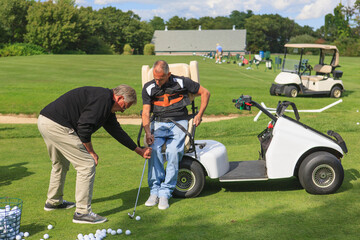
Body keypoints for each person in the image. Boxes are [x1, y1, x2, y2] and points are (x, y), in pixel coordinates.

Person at [37, 85, 152, 224]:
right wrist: (91, 152)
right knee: (86, 164)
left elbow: (116, 131)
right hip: (58, 125)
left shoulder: (106, 104)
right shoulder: (103, 100)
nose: (123, 110)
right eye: (125, 106)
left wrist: (137, 149)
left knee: (60, 163)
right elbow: (84, 128)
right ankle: (82, 212)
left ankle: (53, 202)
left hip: (45, 121)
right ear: (120, 97)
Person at [142, 60, 210, 210]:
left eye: (161, 78)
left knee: (173, 153)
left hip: (179, 123)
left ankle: (165, 193)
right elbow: (146, 112)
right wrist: (148, 132)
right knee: (155, 152)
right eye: (155, 78)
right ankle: (154, 192)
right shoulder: (149, 87)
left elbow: (205, 93)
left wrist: (199, 114)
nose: (157, 81)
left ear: (169, 75)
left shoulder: (182, 82)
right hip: (158, 124)